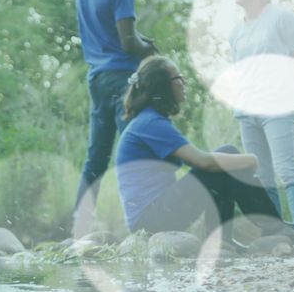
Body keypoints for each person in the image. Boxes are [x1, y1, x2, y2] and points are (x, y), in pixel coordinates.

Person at [115, 56, 283, 248]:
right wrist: (251, 159)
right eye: (178, 78)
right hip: (150, 220)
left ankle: (223, 240)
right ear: (162, 86)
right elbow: (203, 162)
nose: (184, 82)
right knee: (225, 159)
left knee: (225, 161)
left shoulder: (149, 120)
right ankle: (274, 228)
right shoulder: (150, 123)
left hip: (153, 215)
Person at [72, 0, 158, 234]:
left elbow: (110, 32)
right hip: (122, 79)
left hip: (96, 78)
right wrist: (149, 50)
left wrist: (141, 38)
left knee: (97, 155)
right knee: (132, 151)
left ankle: (80, 224)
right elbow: (127, 43)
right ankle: (140, 225)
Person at [228, 0, 294, 229]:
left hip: (278, 107)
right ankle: (276, 231)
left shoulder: (282, 18)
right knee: (262, 175)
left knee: (287, 168)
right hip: (247, 111)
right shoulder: (236, 33)